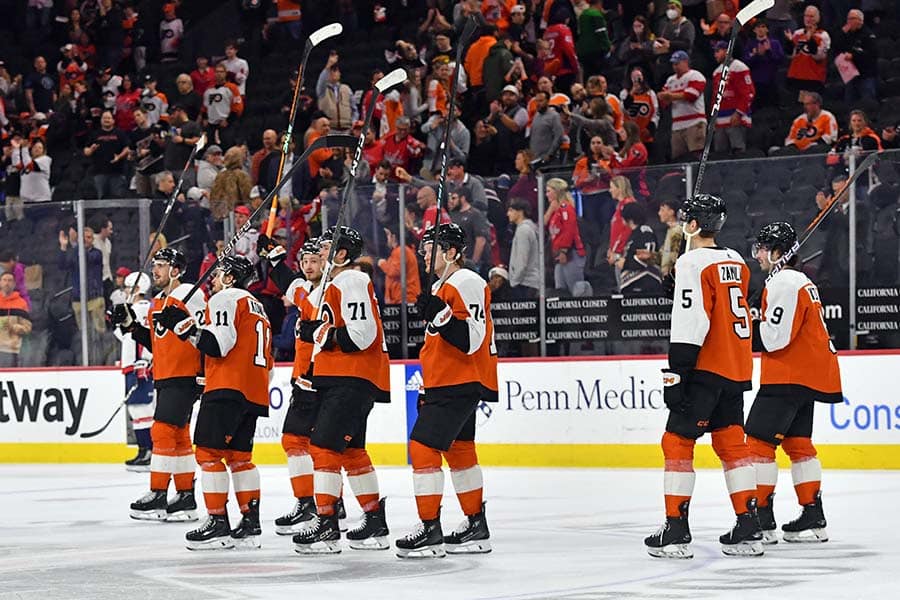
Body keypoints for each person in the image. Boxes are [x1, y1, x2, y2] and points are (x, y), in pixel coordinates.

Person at [644, 194, 760, 559]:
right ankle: (749, 524)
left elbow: (693, 321)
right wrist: (678, 288)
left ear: (692, 225)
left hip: (704, 367)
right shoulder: (737, 261)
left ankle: (676, 530)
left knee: (676, 441)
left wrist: (678, 370)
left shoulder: (692, 262)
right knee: (731, 444)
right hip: (735, 367)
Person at [153, 255, 271, 550]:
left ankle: (218, 522)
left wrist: (184, 328)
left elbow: (218, 345)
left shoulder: (225, 299)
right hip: (254, 390)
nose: (213, 280)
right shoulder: (259, 308)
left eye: (218, 275)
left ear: (231, 278)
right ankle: (250, 523)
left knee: (207, 455)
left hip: (226, 387)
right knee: (240, 458)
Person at [395, 223, 498, 558]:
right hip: (448, 378)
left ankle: (429, 528)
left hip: (460, 378)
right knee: (460, 451)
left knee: (422, 448)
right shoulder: (444, 284)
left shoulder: (465, 281)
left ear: (451, 252)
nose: (423, 254)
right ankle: (475, 525)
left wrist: (439, 316)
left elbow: (472, 339)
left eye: (430, 249)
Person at [293, 226, 391, 554]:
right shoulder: (335, 284)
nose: (319, 253)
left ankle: (326, 525)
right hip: (344, 377)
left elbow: (360, 334)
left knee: (322, 447)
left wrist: (320, 333)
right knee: (351, 452)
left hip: (350, 377)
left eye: (325, 248)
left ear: (341, 255)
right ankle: (374, 520)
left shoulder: (349, 280)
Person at [746, 222, 841, 545]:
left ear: (776, 253)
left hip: (787, 375)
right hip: (805, 374)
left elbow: (774, 339)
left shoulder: (785, 282)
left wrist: (749, 324)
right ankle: (813, 517)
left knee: (758, 444)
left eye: (762, 248)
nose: (757, 255)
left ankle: (761, 520)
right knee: (799, 446)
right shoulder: (798, 281)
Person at [110, 248, 204, 523]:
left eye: (161, 266)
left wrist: (202, 371)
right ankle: (186, 496)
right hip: (166, 374)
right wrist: (131, 327)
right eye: (155, 265)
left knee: (162, 431)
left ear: (176, 270)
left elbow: (202, 333)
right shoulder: (158, 302)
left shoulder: (190, 293)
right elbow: (157, 342)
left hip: (184, 375)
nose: (156, 271)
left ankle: (159, 492)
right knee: (178, 434)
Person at [112, 272, 154, 471]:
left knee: (143, 409)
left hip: (140, 366)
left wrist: (144, 360)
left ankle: (149, 452)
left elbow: (146, 337)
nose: (125, 292)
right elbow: (127, 337)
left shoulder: (141, 309)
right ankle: (143, 450)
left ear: (137, 289)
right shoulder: (134, 308)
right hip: (132, 364)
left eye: (128, 289)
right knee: (136, 409)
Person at [658, 51, 706, 161]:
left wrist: (670, 95)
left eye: (677, 63)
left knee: (696, 155)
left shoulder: (695, 75)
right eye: (673, 64)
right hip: (677, 125)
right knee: (678, 158)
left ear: (685, 62)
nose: (675, 67)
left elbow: (692, 95)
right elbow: (664, 101)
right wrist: (663, 97)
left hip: (694, 122)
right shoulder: (670, 80)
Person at [711, 41, 755, 155]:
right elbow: (715, 97)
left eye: (717, 51)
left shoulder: (739, 67)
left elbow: (749, 93)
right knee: (720, 154)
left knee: (738, 151)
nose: (714, 54)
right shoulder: (716, 72)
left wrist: (739, 113)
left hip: (735, 118)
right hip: (720, 119)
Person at [544, 178, 586, 295]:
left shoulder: (566, 208)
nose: (546, 194)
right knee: (560, 290)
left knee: (575, 289)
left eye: (548, 191)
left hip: (571, 253)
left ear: (556, 191)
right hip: (558, 255)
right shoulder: (556, 212)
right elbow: (543, 224)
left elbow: (569, 231)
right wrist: (550, 209)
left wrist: (564, 251)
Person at [614, 203, 662, 295]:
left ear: (629, 219)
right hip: (631, 284)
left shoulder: (645, 232)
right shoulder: (633, 234)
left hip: (644, 283)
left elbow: (648, 259)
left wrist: (625, 263)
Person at [785, 5, 830, 98]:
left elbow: (819, 56)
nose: (808, 19)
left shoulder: (823, 35)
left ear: (818, 18)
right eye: (806, 16)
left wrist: (810, 40)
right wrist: (789, 42)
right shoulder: (798, 33)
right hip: (796, 76)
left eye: (811, 16)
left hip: (813, 79)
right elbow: (791, 55)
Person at [84, 109, 130, 199]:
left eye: (109, 118)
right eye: (104, 118)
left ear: (113, 120)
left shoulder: (120, 133)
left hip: (117, 172)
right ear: (101, 120)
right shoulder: (95, 134)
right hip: (99, 173)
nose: (106, 120)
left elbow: (127, 148)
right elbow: (86, 151)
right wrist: (91, 150)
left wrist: (119, 156)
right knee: (100, 199)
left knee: (117, 199)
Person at [743, 20, 785, 109]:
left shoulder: (775, 43)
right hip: (756, 82)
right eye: (758, 27)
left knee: (773, 108)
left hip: (771, 80)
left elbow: (780, 60)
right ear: (754, 30)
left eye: (763, 27)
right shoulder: (750, 44)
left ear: (767, 29)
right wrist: (756, 55)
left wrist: (769, 51)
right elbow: (746, 62)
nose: (760, 29)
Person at [506, 199, 541, 299]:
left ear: (520, 212)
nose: (508, 214)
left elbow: (522, 260)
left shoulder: (523, 230)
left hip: (525, 283)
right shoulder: (529, 228)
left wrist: (514, 282)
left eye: (511, 210)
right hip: (529, 282)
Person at [378, 225, 421, 305]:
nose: (387, 238)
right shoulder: (400, 251)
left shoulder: (401, 251)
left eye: (388, 235)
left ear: (394, 237)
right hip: (400, 299)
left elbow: (395, 271)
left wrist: (383, 264)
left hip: (405, 299)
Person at [0, 271, 31, 368]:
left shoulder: (21, 303)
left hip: (10, 349)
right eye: (4, 280)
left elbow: (27, 328)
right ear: (0, 282)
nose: (7, 283)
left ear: (14, 284)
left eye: (10, 280)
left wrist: (13, 327)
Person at [658, 198, 683, 278]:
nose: (659, 213)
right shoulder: (671, 230)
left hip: (673, 276)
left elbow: (674, 255)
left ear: (671, 212)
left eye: (662, 210)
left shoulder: (676, 231)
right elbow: (663, 254)